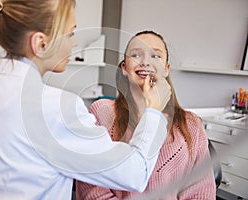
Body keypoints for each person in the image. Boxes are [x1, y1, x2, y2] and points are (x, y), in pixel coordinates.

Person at [0, 1, 172, 199]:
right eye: (70, 33)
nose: (74, 43)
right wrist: (153, 111)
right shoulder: (54, 109)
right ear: (41, 44)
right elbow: (136, 172)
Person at [75, 30, 216, 199]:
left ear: (166, 69)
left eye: (156, 56)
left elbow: (202, 193)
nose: (146, 62)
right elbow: (92, 191)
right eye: (136, 55)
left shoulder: (191, 124)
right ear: (125, 68)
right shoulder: (101, 113)